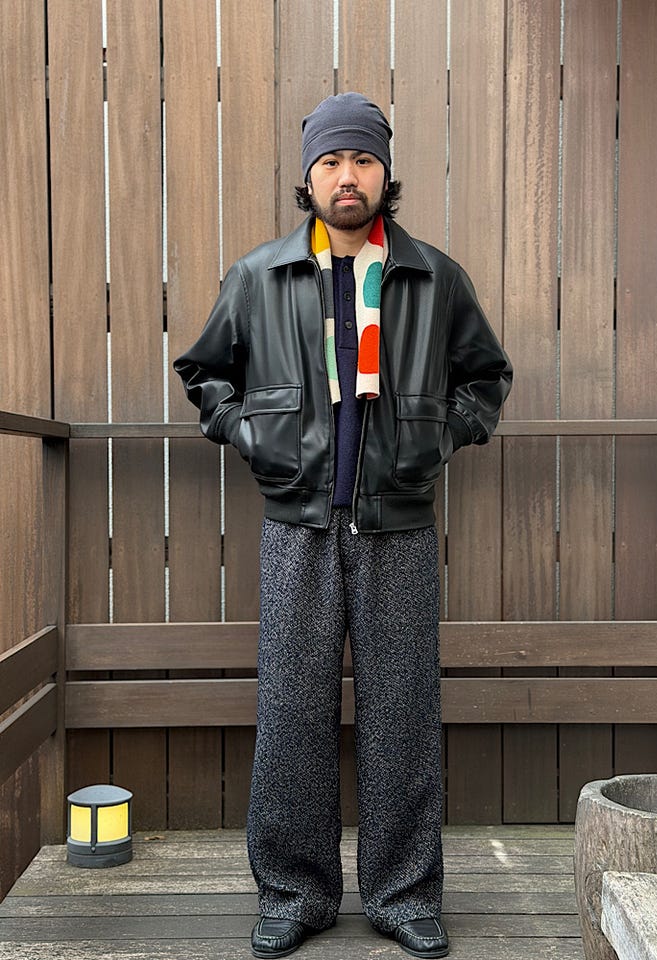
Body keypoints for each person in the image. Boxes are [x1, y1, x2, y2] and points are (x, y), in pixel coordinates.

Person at [174, 92, 512, 959]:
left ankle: (404, 895)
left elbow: (486, 378)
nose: (347, 176)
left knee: (404, 713)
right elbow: (205, 374)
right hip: (298, 523)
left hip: (399, 526)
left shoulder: (433, 277)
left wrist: (439, 435)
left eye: (362, 159)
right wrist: (250, 432)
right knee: (291, 711)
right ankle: (296, 893)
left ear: (384, 172)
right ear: (309, 176)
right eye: (331, 162)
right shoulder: (261, 275)